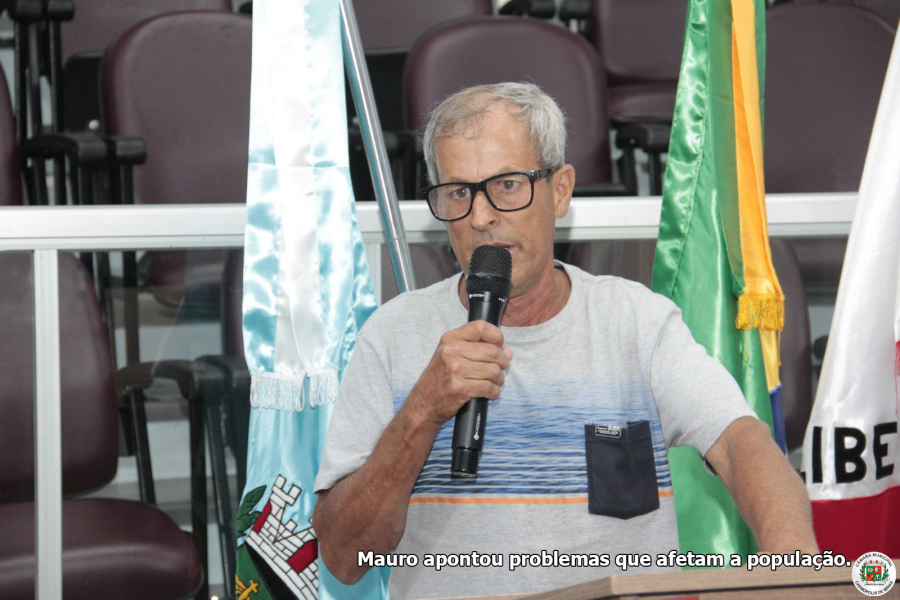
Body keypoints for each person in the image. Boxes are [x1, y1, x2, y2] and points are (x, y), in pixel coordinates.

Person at [312, 82, 818, 599]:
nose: (481, 217)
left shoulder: (637, 322)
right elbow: (344, 559)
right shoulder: (393, 334)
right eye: (458, 192)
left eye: (507, 184)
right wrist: (421, 412)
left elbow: (741, 444)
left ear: (560, 190)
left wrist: (795, 571)